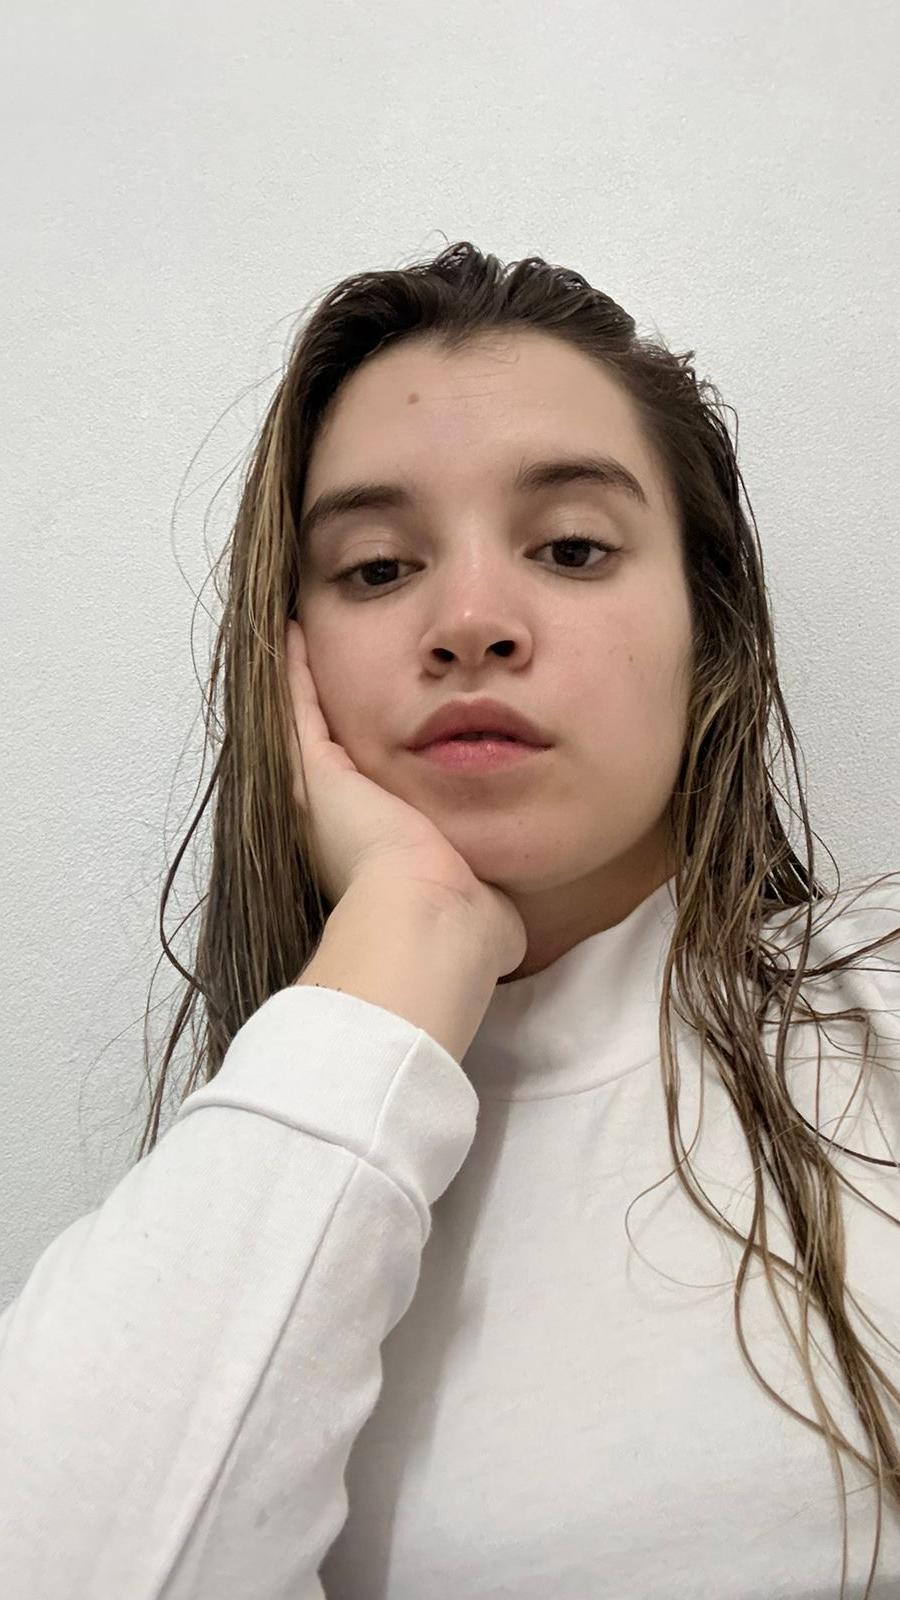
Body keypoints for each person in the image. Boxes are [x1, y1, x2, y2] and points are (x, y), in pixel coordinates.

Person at [2, 242, 899, 1599]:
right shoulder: (265, 1158)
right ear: (288, 660)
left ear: (708, 628)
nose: (470, 622)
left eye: (573, 548)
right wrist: (408, 932)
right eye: (376, 569)